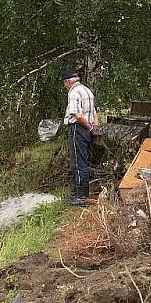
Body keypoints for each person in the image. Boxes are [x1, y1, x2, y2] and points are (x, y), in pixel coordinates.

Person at [61, 70, 98, 205]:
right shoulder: (87, 90)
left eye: (64, 84)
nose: (65, 87)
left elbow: (77, 115)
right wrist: (94, 128)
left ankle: (80, 196)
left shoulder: (74, 93)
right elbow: (94, 112)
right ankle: (79, 193)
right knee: (82, 160)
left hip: (78, 128)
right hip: (86, 129)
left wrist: (88, 127)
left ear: (68, 82)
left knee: (77, 162)